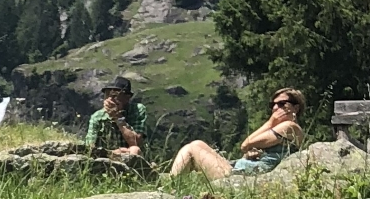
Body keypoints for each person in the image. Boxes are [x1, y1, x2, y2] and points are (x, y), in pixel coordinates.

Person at [169, 88, 305, 180]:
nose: (275, 108)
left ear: (296, 107)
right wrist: (250, 156)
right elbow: (248, 148)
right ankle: (172, 183)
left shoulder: (290, 127)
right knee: (198, 144)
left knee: (192, 149)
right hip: (243, 169)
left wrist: (271, 121)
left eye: (281, 104)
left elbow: (246, 144)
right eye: (273, 105)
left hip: (242, 175)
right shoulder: (282, 129)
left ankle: (171, 186)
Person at [85, 77, 150, 163]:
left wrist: (118, 118)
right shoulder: (97, 116)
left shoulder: (137, 110)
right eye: (107, 94)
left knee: (135, 149)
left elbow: (136, 142)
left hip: (131, 155)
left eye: (115, 95)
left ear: (127, 97)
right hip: (107, 156)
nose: (110, 99)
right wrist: (113, 153)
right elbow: (90, 146)